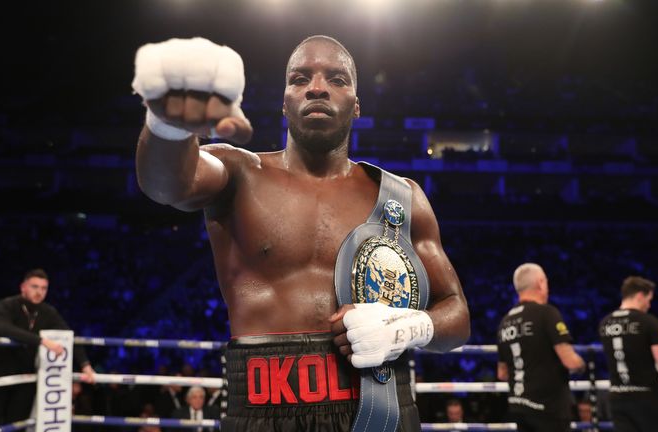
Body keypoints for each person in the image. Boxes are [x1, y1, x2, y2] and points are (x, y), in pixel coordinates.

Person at [131, 35, 470, 432]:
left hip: (378, 411)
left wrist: (406, 328)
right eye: (300, 77)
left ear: (356, 105)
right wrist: (168, 123)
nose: (317, 87)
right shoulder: (238, 172)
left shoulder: (401, 196)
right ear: (285, 100)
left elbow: (457, 315)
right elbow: (166, 184)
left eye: (338, 79)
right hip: (263, 409)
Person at [0, 268, 96, 425]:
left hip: (26, 378)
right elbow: (2, 328)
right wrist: (42, 341)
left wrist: (85, 365)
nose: (39, 292)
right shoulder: (7, 305)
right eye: (34, 287)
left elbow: (68, 335)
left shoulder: (47, 312)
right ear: (23, 287)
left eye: (43, 288)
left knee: (17, 425)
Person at [496, 263, 585, 432]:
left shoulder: (505, 322)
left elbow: (502, 373)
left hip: (519, 405)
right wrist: (583, 364)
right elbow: (570, 361)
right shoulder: (547, 313)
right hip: (548, 407)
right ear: (541, 283)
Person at [598, 276, 658, 432]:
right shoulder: (649, 322)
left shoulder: (605, 323)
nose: (648, 305)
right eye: (648, 300)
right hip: (647, 397)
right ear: (639, 296)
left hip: (618, 397)